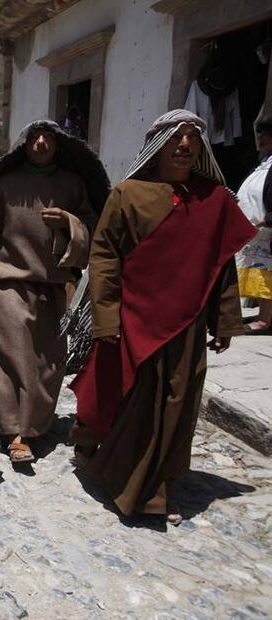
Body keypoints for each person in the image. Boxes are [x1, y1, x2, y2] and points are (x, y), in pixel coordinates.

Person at [70, 110, 256, 525]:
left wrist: (225, 321)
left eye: (192, 138)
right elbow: (104, 259)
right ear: (157, 145)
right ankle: (122, 474)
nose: (185, 145)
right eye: (176, 138)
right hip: (133, 321)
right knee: (125, 397)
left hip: (186, 326)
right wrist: (106, 318)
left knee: (176, 404)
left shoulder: (214, 200)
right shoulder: (128, 194)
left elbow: (221, 265)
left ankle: (154, 487)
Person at [0, 120, 106, 463]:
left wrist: (69, 223)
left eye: (49, 137)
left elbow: (94, 228)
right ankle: (14, 432)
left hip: (51, 288)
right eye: (35, 137)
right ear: (24, 144)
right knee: (6, 358)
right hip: (7, 283)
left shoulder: (72, 185)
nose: (42, 143)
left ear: (58, 144)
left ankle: (30, 425)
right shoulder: (6, 185)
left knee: (46, 364)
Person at [235, 115, 272, 332]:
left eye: (266, 135)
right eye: (260, 134)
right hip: (257, 232)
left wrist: (267, 220)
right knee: (260, 274)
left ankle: (265, 321)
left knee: (267, 276)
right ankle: (264, 315)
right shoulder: (264, 163)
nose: (261, 139)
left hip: (267, 230)